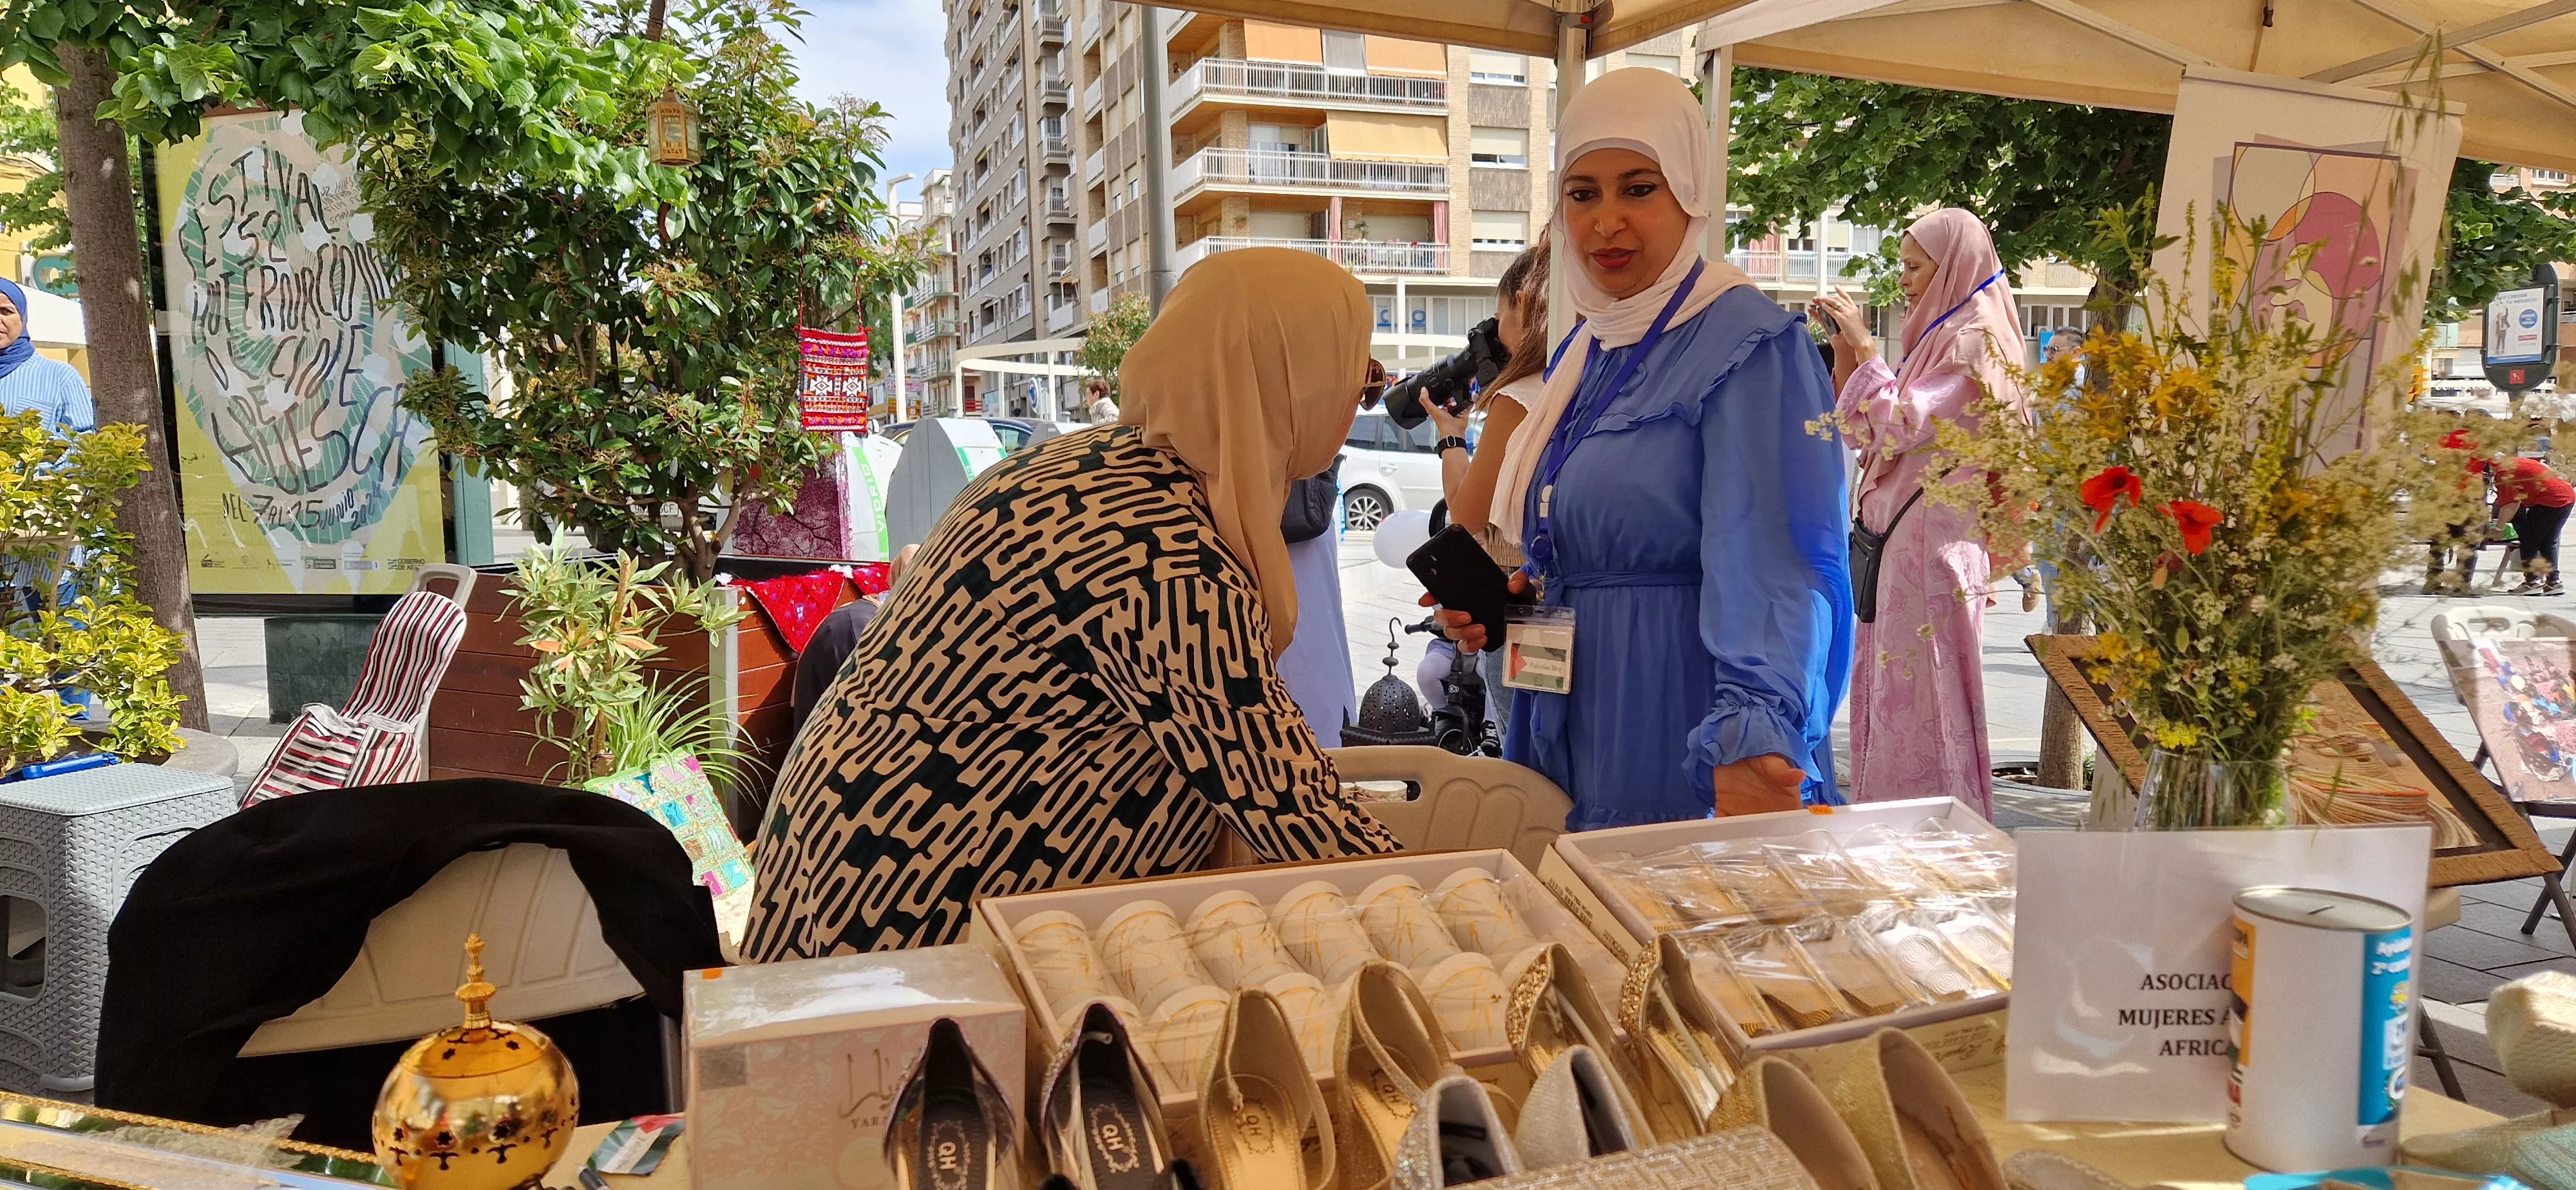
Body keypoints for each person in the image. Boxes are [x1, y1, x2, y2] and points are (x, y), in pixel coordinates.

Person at [746, 249, 1399, 957]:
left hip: (860, 862)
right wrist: (1449, 905)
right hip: (906, 913)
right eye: (1357, 380)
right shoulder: (1163, 552)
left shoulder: (1091, 467)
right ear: (1290, 381)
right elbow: (1286, 806)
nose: (1354, 404)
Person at [1435, 68, 1854, 828]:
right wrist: (1515, 599)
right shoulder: (1584, 353)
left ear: (1690, 192)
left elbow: (1783, 562)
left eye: (1638, 188)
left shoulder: (1751, 345)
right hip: (1566, 708)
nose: (1604, 224)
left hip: (1681, 715)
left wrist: (1754, 733)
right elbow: (1584, 530)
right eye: (1582, 193)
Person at [1812, 208, 2031, 817]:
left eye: (1915, 267)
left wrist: (1862, 344)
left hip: (1930, 540)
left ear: (1952, 265)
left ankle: (1932, 834)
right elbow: (1867, 429)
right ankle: (1900, 830)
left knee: (1922, 693)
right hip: (1910, 538)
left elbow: (1903, 423)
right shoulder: (1944, 333)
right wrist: (1844, 348)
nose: (1905, 281)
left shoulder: (1973, 341)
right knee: (1896, 690)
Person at [1426, 238, 1550, 742]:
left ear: (1521, 303)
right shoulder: (1582, 384)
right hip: (1590, 610)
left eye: (1499, 314)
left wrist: (1451, 437)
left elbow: (1467, 513)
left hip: (1521, 609)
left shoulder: (1521, 397)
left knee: (1531, 756)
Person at [0, 280, 95, 434]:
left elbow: (82, 438)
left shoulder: (59, 377)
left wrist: (41, 455)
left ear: (23, 318)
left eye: (6, 311)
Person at [2480, 453, 2575, 596]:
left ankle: (2532, 582)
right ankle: (2554, 582)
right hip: (2567, 496)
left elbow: (2510, 506)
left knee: (2529, 541)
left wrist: (2499, 528)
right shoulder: (2521, 462)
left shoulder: (2503, 473)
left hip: (2548, 500)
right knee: (2548, 542)